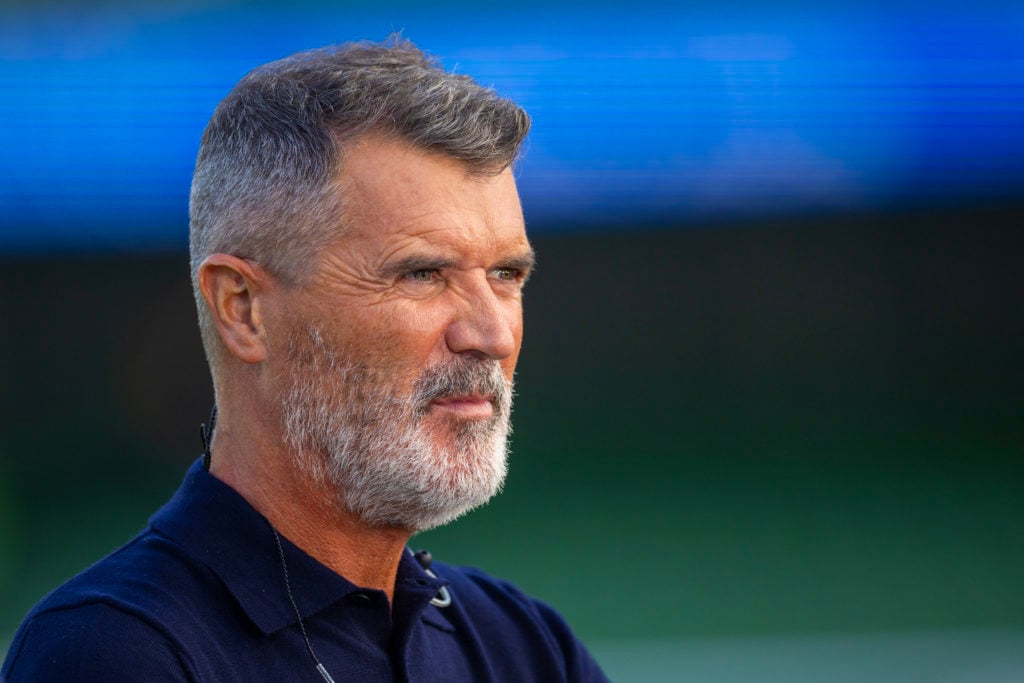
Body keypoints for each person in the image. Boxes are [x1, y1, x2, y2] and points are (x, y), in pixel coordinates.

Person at [1, 37, 610, 682]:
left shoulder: (522, 646)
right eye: (423, 273)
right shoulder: (116, 653)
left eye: (507, 274)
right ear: (243, 309)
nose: (491, 333)